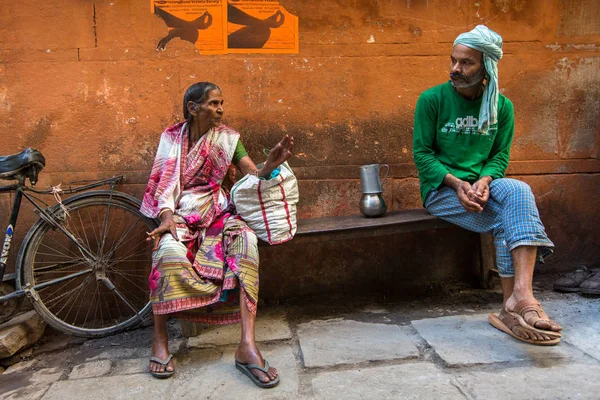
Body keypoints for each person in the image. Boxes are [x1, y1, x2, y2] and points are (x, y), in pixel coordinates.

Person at [412, 25, 563, 345]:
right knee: (511, 219)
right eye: (453, 60)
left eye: (466, 63)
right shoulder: (431, 100)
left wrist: (484, 179)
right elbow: (422, 155)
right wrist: (456, 184)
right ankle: (517, 305)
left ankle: (518, 297)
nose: (455, 68)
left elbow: (499, 157)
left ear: (487, 67)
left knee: (519, 191)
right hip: (441, 191)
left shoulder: (502, 107)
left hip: (484, 188)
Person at [140, 82, 294, 386]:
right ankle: (159, 340)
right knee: (165, 249)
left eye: (222, 103)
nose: (220, 109)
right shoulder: (170, 138)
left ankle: (247, 346)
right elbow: (162, 184)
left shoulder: (228, 139)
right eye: (213, 103)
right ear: (193, 108)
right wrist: (167, 217)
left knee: (246, 242)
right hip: (179, 212)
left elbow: (251, 173)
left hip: (219, 211)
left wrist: (268, 168)